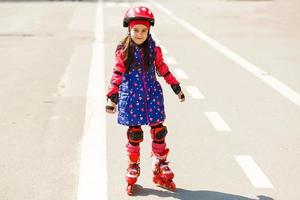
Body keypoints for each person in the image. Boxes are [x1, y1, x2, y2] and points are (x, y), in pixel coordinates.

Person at [105, 6, 185, 195]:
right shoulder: (123, 50)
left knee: (159, 132)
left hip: (152, 97)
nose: (139, 34)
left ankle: (160, 163)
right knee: (134, 134)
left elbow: (163, 69)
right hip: (132, 97)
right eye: (136, 30)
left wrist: (176, 87)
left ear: (149, 30)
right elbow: (117, 73)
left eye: (144, 30)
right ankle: (133, 165)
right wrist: (112, 97)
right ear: (129, 30)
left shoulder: (154, 50)